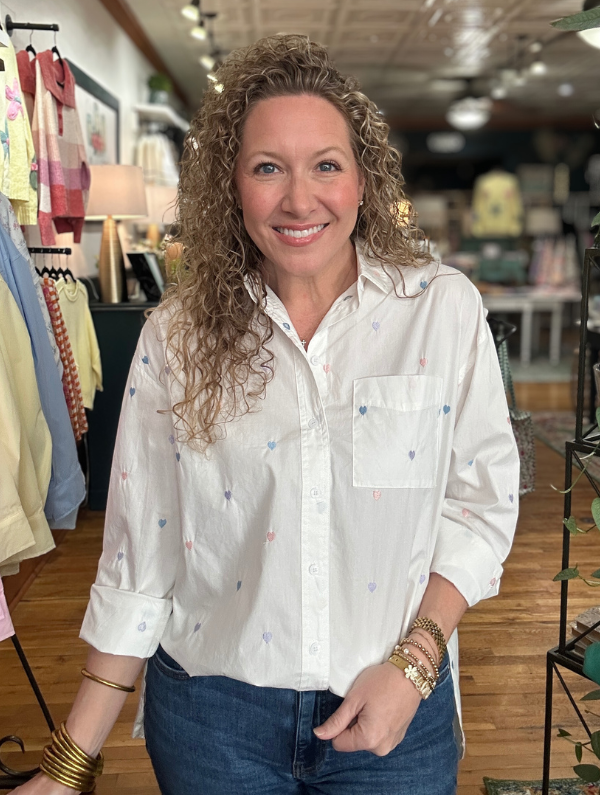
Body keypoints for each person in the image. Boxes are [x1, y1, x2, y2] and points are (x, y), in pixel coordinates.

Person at [12, 34, 520, 796]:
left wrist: (414, 665)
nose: (299, 199)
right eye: (267, 168)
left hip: (394, 713)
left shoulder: (440, 312)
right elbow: (138, 563)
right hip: (215, 724)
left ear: (362, 179)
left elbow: (479, 507)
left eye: (325, 165)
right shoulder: (176, 338)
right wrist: (67, 765)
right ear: (232, 187)